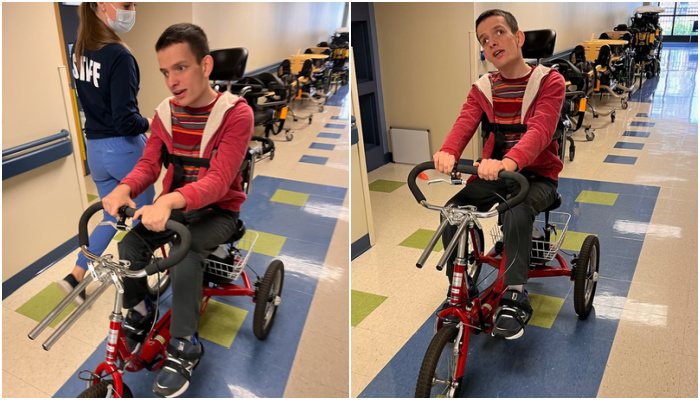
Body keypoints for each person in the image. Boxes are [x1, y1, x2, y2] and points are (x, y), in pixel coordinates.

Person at [102, 23, 254, 397]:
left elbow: (219, 182)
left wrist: (167, 200)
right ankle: (139, 309)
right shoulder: (165, 115)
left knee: (185, 256)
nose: (172, 80)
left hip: (218, 214)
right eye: (165, 72)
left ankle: (185, 343)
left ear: (205, 65)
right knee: (130, 247)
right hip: (177, 210)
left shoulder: (236, 115)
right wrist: (124, 188)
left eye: (181, 68)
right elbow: (150, 165)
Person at [433, 9, 565, 340]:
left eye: (499, 33)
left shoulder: (549, 81)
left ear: (518, 37)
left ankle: (515, 293)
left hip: (538, 178)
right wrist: (449, 151)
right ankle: (459, 285)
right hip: (497, 175)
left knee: (516, 210)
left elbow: (540, 131)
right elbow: (465, 123)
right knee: (453, 214)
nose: (492, 43)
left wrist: (508, 162)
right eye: (484, 40)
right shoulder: (483, 88)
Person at [59, 2, 155, 304]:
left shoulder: (80, 50)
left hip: (96, 151)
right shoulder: (119, 54)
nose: (132, 10)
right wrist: (151, 122)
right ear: (102, 5)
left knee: (109, 215)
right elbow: (126, 120)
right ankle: (138, 297)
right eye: (126, 4)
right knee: (143, 218)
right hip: (124, 148)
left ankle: (75, 274)